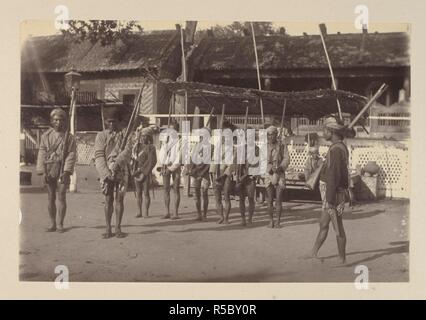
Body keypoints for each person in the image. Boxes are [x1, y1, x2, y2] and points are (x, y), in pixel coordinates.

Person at [305, 116, 350, 264]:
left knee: (338, 227)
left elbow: (335, 176)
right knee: (323, 223)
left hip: (333, 194)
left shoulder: (336, 150)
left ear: (331, 131)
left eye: (325, 130)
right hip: (329, 193)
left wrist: (330, 199)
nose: (323, 132)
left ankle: (342, 259)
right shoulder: (337, 147)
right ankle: (313, 252)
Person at [36, 108, 77, 233]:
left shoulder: (69, 137)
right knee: (50, 197)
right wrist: (42, 171)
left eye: (60, 120)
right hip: (49, 169)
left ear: (64, 121)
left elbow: (71, 154)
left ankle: (60, 223)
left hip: (62, 169)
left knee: (62, 196)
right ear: (51, 121)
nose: (58, 122)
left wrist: (66, 171)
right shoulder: (45, 136)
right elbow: (42, 153)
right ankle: (52, 223)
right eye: (55, 120)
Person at [94, 108, 132, 239]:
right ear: (106, 122)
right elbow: (99, 155)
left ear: (119, 122)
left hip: (121, 169)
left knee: (119, 199)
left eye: (114, 122)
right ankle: (108, 228)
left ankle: (118, 228)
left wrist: (116, 165)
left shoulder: (125, 135)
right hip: (106, 171)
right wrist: (106, 172)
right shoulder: (101, 136)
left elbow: (127, 152)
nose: (112, 125)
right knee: (108, 199)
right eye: (109, 122)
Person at [264, 125, 290, 228]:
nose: (271, 137)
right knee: (269, 199)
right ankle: (271, 221)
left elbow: (287, 158)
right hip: (268, 173)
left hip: (280, 173)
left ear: (276, 134)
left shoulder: (282, 146)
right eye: (269, 135)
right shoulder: (264, 147)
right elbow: (262, 159)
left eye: (272, 134)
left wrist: (280, 167)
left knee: (278, 199)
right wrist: (270, 167)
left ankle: (278, 221)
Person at [211, 120, 235, 224]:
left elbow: (233, 164)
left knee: (226, 195)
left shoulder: (233, 148)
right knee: (217, 196)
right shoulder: (217, 147)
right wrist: (213, 174)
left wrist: (224, 174)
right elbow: (213, 161)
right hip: (217, 173)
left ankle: (226, 217)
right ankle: (220, 216)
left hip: (226, 174)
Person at [130, 126, 157, 218]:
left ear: (149, 137)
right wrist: (133, 168)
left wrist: (142, 171)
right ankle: (139, 211)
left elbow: (152, 161)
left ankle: (146, 212)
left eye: (146, 136)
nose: (143, 138)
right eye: (143, 136)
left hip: (146, 172)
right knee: (138, 193)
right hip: (136, 173)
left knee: (146, 193)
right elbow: (133, 159)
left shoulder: (151, 147)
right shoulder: (137, 147)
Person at [185, 127, 212, 221]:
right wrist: (191, 170)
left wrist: (202, 173)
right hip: (196, 173)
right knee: (196, 194)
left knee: (204, 193)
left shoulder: (211, 147)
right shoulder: (196, 146)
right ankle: (199, 214)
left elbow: (209, 163)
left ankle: (204, 215)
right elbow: (192, 159)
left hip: (205, 174)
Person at [161, 120, 182, 219]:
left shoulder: (180, 141)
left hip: (175, 168)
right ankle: (166, 211)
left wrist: (172, 168)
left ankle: (176, 212)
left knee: (176, 190)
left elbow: (179, 157)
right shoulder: (166, 141)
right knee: (166, 189)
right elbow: (161, 154)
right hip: (166, 166)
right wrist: (164, 163)